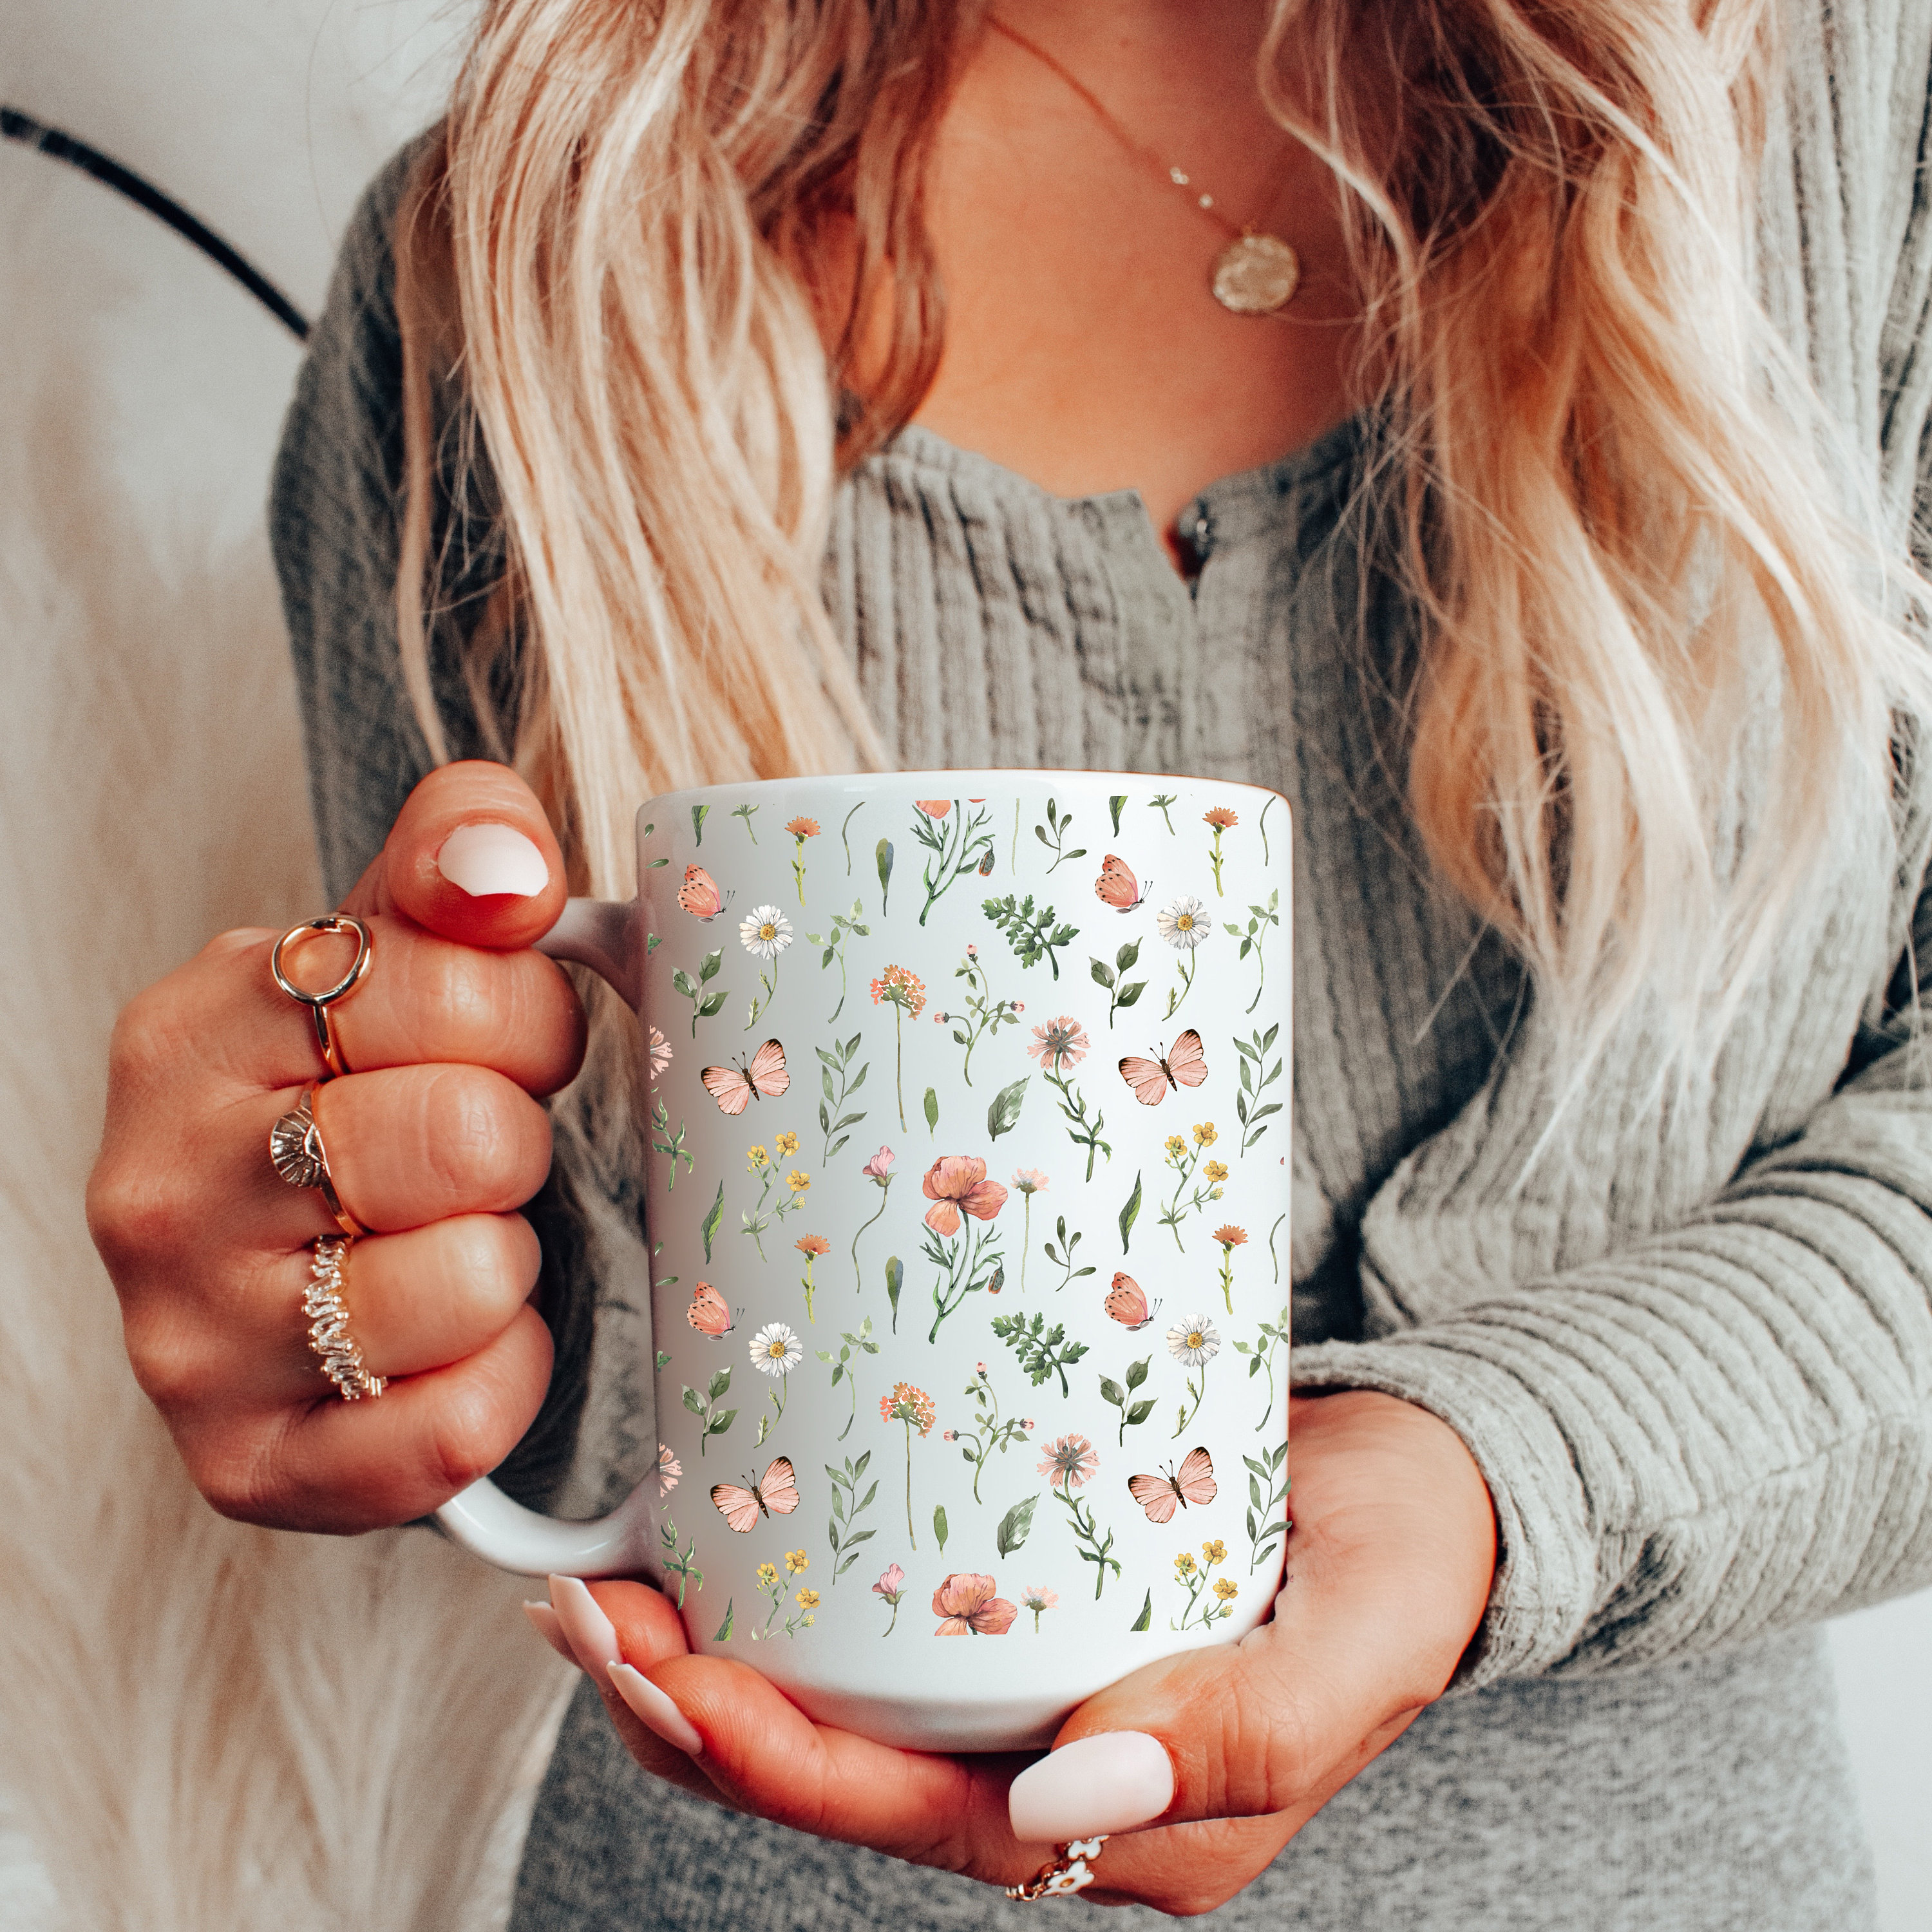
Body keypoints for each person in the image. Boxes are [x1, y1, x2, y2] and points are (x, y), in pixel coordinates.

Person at [88, 1, 1932, 1925]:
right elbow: (610, 1369)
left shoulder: (1847, 106)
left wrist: (1493, 1471)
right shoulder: (519, 259)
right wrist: (353, 1273)